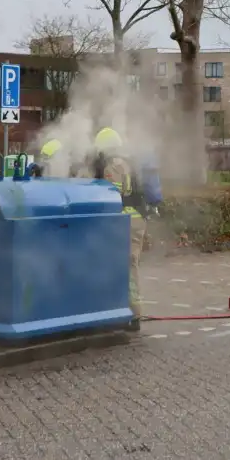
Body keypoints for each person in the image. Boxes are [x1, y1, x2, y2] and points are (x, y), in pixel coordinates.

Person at [74, 127, 147, 319]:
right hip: (130, 219)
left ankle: (133, 314)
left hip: (126, 220)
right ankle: (118, 310)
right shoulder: (126, 161)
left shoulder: (113, 165)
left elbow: (111, 196)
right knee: (121, 264)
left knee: (128, 264)